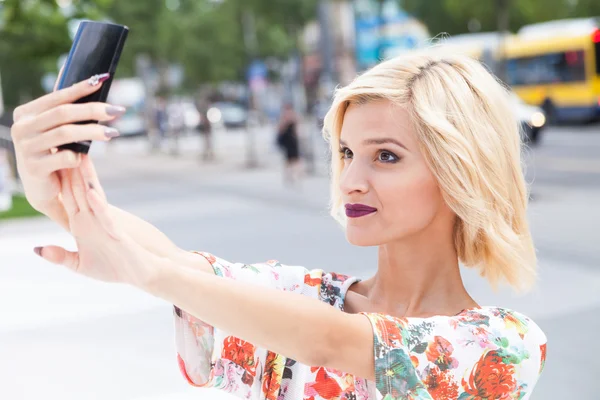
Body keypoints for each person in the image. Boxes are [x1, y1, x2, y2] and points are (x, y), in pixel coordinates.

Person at [11, 49, 547, 400]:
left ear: (460, 172)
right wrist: (54, 193)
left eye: (385, 156)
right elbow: (180, 265)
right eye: (345, 152)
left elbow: (334, 346)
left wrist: (147, 274)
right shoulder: (301, 298)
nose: (351, 180)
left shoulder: (503, 346)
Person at [276, 103, 303, 186]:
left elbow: (297, 128)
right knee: (289, 160)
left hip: (292, 141)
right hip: (288, 141)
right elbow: (280, 130)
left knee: (295, 159)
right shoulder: (284, 118)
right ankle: (289, 176)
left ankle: (295, 176)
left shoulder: (293, 117)